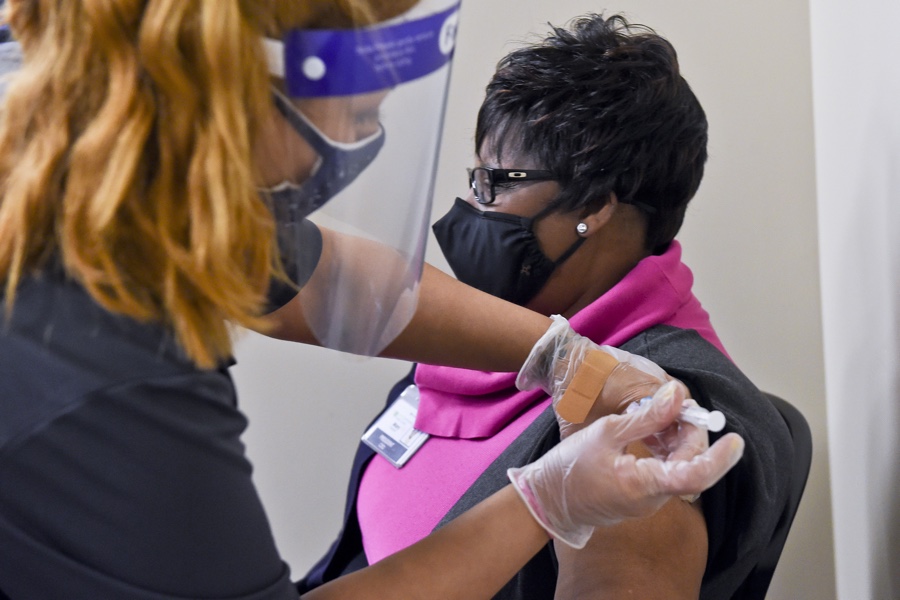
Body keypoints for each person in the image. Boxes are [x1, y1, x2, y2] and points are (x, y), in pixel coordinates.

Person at [0, 2, 744, 599]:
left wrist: (567, 359)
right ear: (237, 83)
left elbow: (319, 277)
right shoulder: (104, 359)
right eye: (356, 116)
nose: (361, 141)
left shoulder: (86, 168)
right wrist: (548, 501)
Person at [299, 13, 792, 600]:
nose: (471, 208)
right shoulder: (476, 346)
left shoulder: (650, 414)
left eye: (497, 183)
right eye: (474, 180)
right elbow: (306, 279)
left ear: (595, 205)